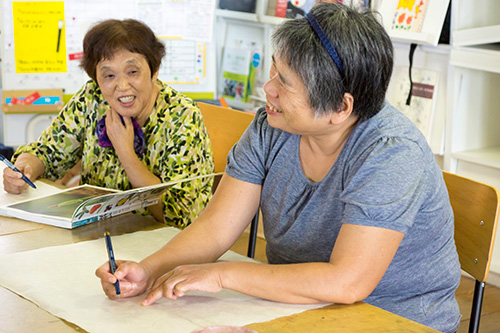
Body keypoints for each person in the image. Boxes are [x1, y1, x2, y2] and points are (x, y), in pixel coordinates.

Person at [96, 4, 461, 332]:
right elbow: (215, 228)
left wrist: (223, 275)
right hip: (299, 307)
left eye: (284, 83)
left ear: (340, 107)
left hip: (391, 319)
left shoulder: (390, 152)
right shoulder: (271, 126)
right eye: (274, 70)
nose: (267, 88)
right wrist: (148, 270)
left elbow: (347, 283)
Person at [2, 19, 214, 228]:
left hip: (158, 243)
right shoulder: (93, 97)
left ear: (154, 69)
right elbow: (48, 152)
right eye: (109, 75)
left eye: (133, 72)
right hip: (97, 232)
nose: (122, 86)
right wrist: (24, 168)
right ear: (96, 78)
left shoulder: (182, 117)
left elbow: (180, 217)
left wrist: (126, 153)